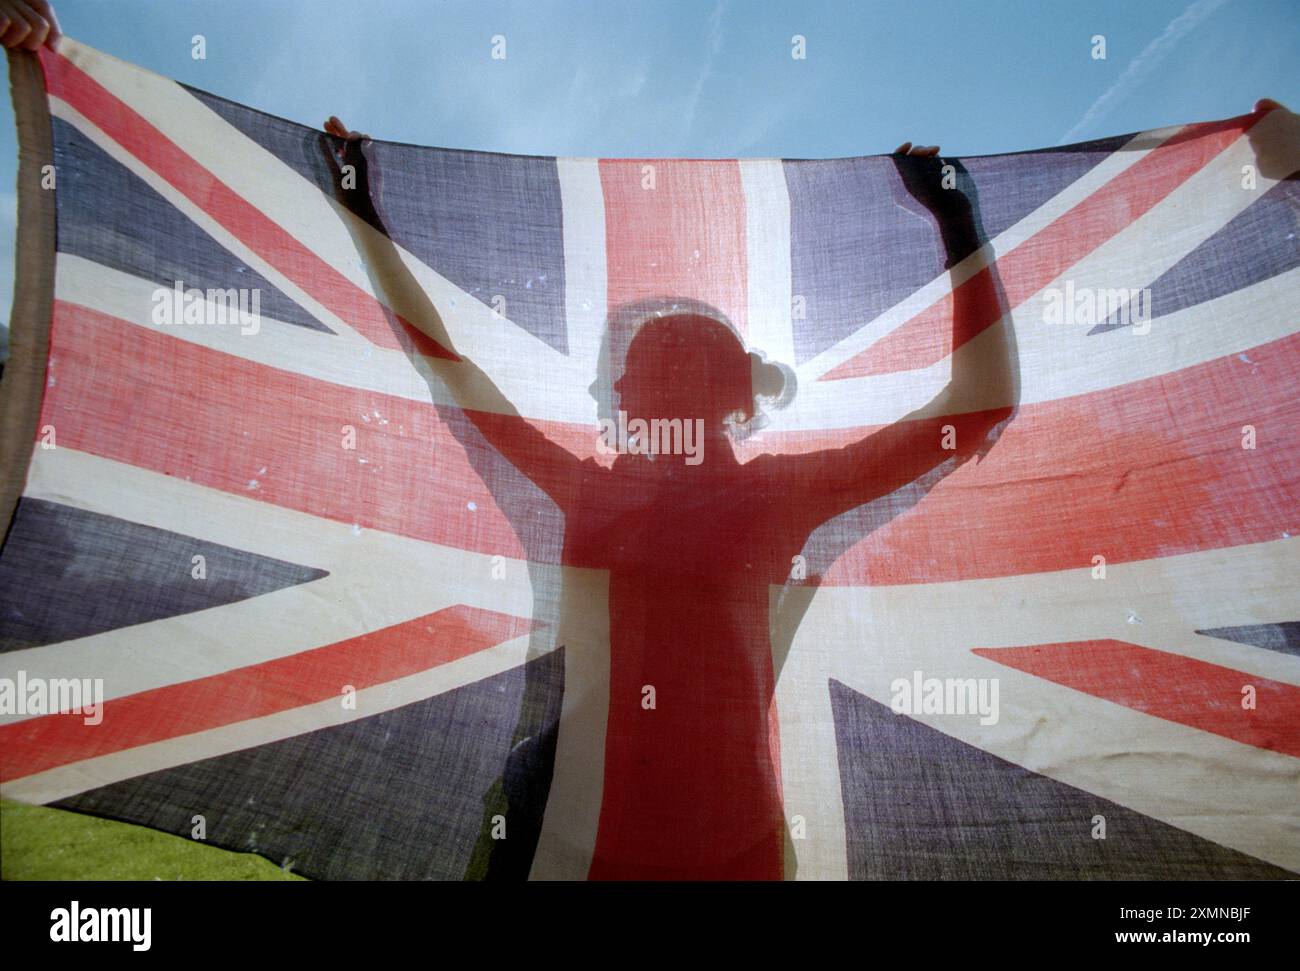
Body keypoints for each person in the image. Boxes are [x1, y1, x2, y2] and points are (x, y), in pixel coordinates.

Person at [322, 114, 1019, 878]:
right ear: (735, 400)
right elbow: (979, 405)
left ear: (635, 399)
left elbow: (447, 366)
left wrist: (363, 215)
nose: (616, 399)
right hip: (717, 841)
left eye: (631, 383)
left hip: (577, 839)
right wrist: (957, 222)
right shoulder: (776, 496)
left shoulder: (588, 491)